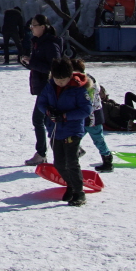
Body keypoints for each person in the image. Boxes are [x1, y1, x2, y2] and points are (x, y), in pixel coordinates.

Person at [35, 60, 94, 206]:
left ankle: (79, 193)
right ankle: (71, 185)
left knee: (72, 162)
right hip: (55, 131)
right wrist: (49, 111)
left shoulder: (79, 90)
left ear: (70, 76)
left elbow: (86, 110)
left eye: (63, 80)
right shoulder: (49, 87)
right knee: (59, 164)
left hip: (72, 131)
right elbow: (41, 102)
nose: (60, 83)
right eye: (57, 80)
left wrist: (65, 116)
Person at [21, 16, 64, 165]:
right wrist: (29, 63)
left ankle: (41, 153)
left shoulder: (50, 44)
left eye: (34, 25)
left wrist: (32, 62)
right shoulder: (39, 43)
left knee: (38, 120)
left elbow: (54, 68)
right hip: (42, 87)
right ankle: (71, 148)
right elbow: (39, 65)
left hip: (48, 88)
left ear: (43, 27)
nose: (31, 28)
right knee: (47, 121)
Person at [69, 58, 115, 173]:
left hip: (92, 115)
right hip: (83, 116)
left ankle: (107, 160)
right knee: (73, 137)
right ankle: (74, 155)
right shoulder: (80, 80)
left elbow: (88, 99)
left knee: (97, 138)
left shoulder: (86, 81)